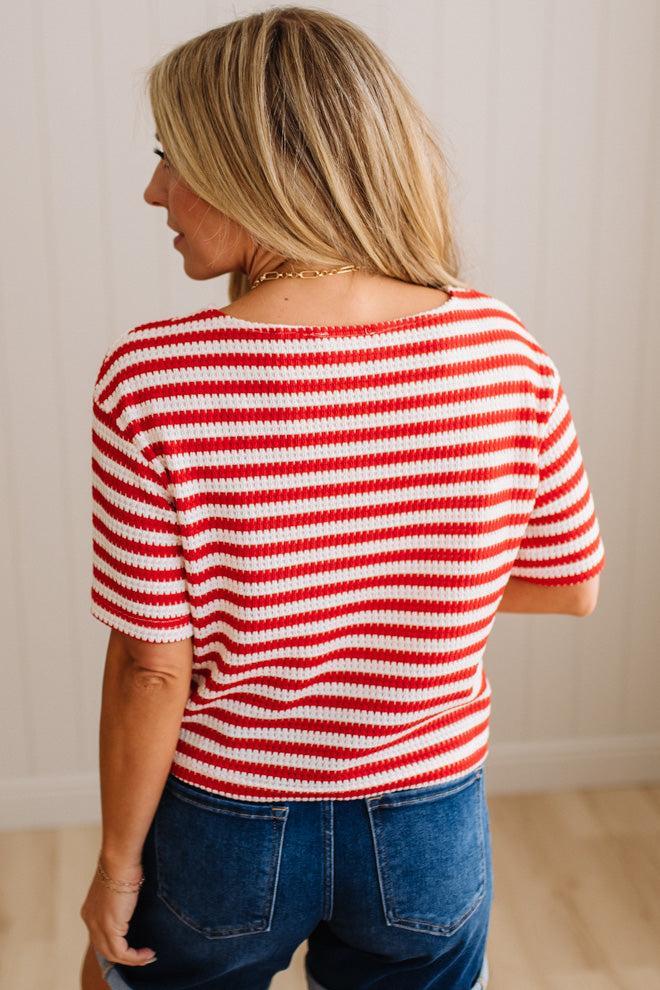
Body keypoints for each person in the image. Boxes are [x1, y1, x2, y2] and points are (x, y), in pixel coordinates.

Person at [78, 6, 606, 990]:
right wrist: (399, 594)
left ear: (252, 165)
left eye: (173, 158)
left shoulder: (155, 379)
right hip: (428, 823)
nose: (155, 191)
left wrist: (116, 868)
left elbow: (154, 670)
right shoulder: (504, 348)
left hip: (228, 825)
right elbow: (570, 582)